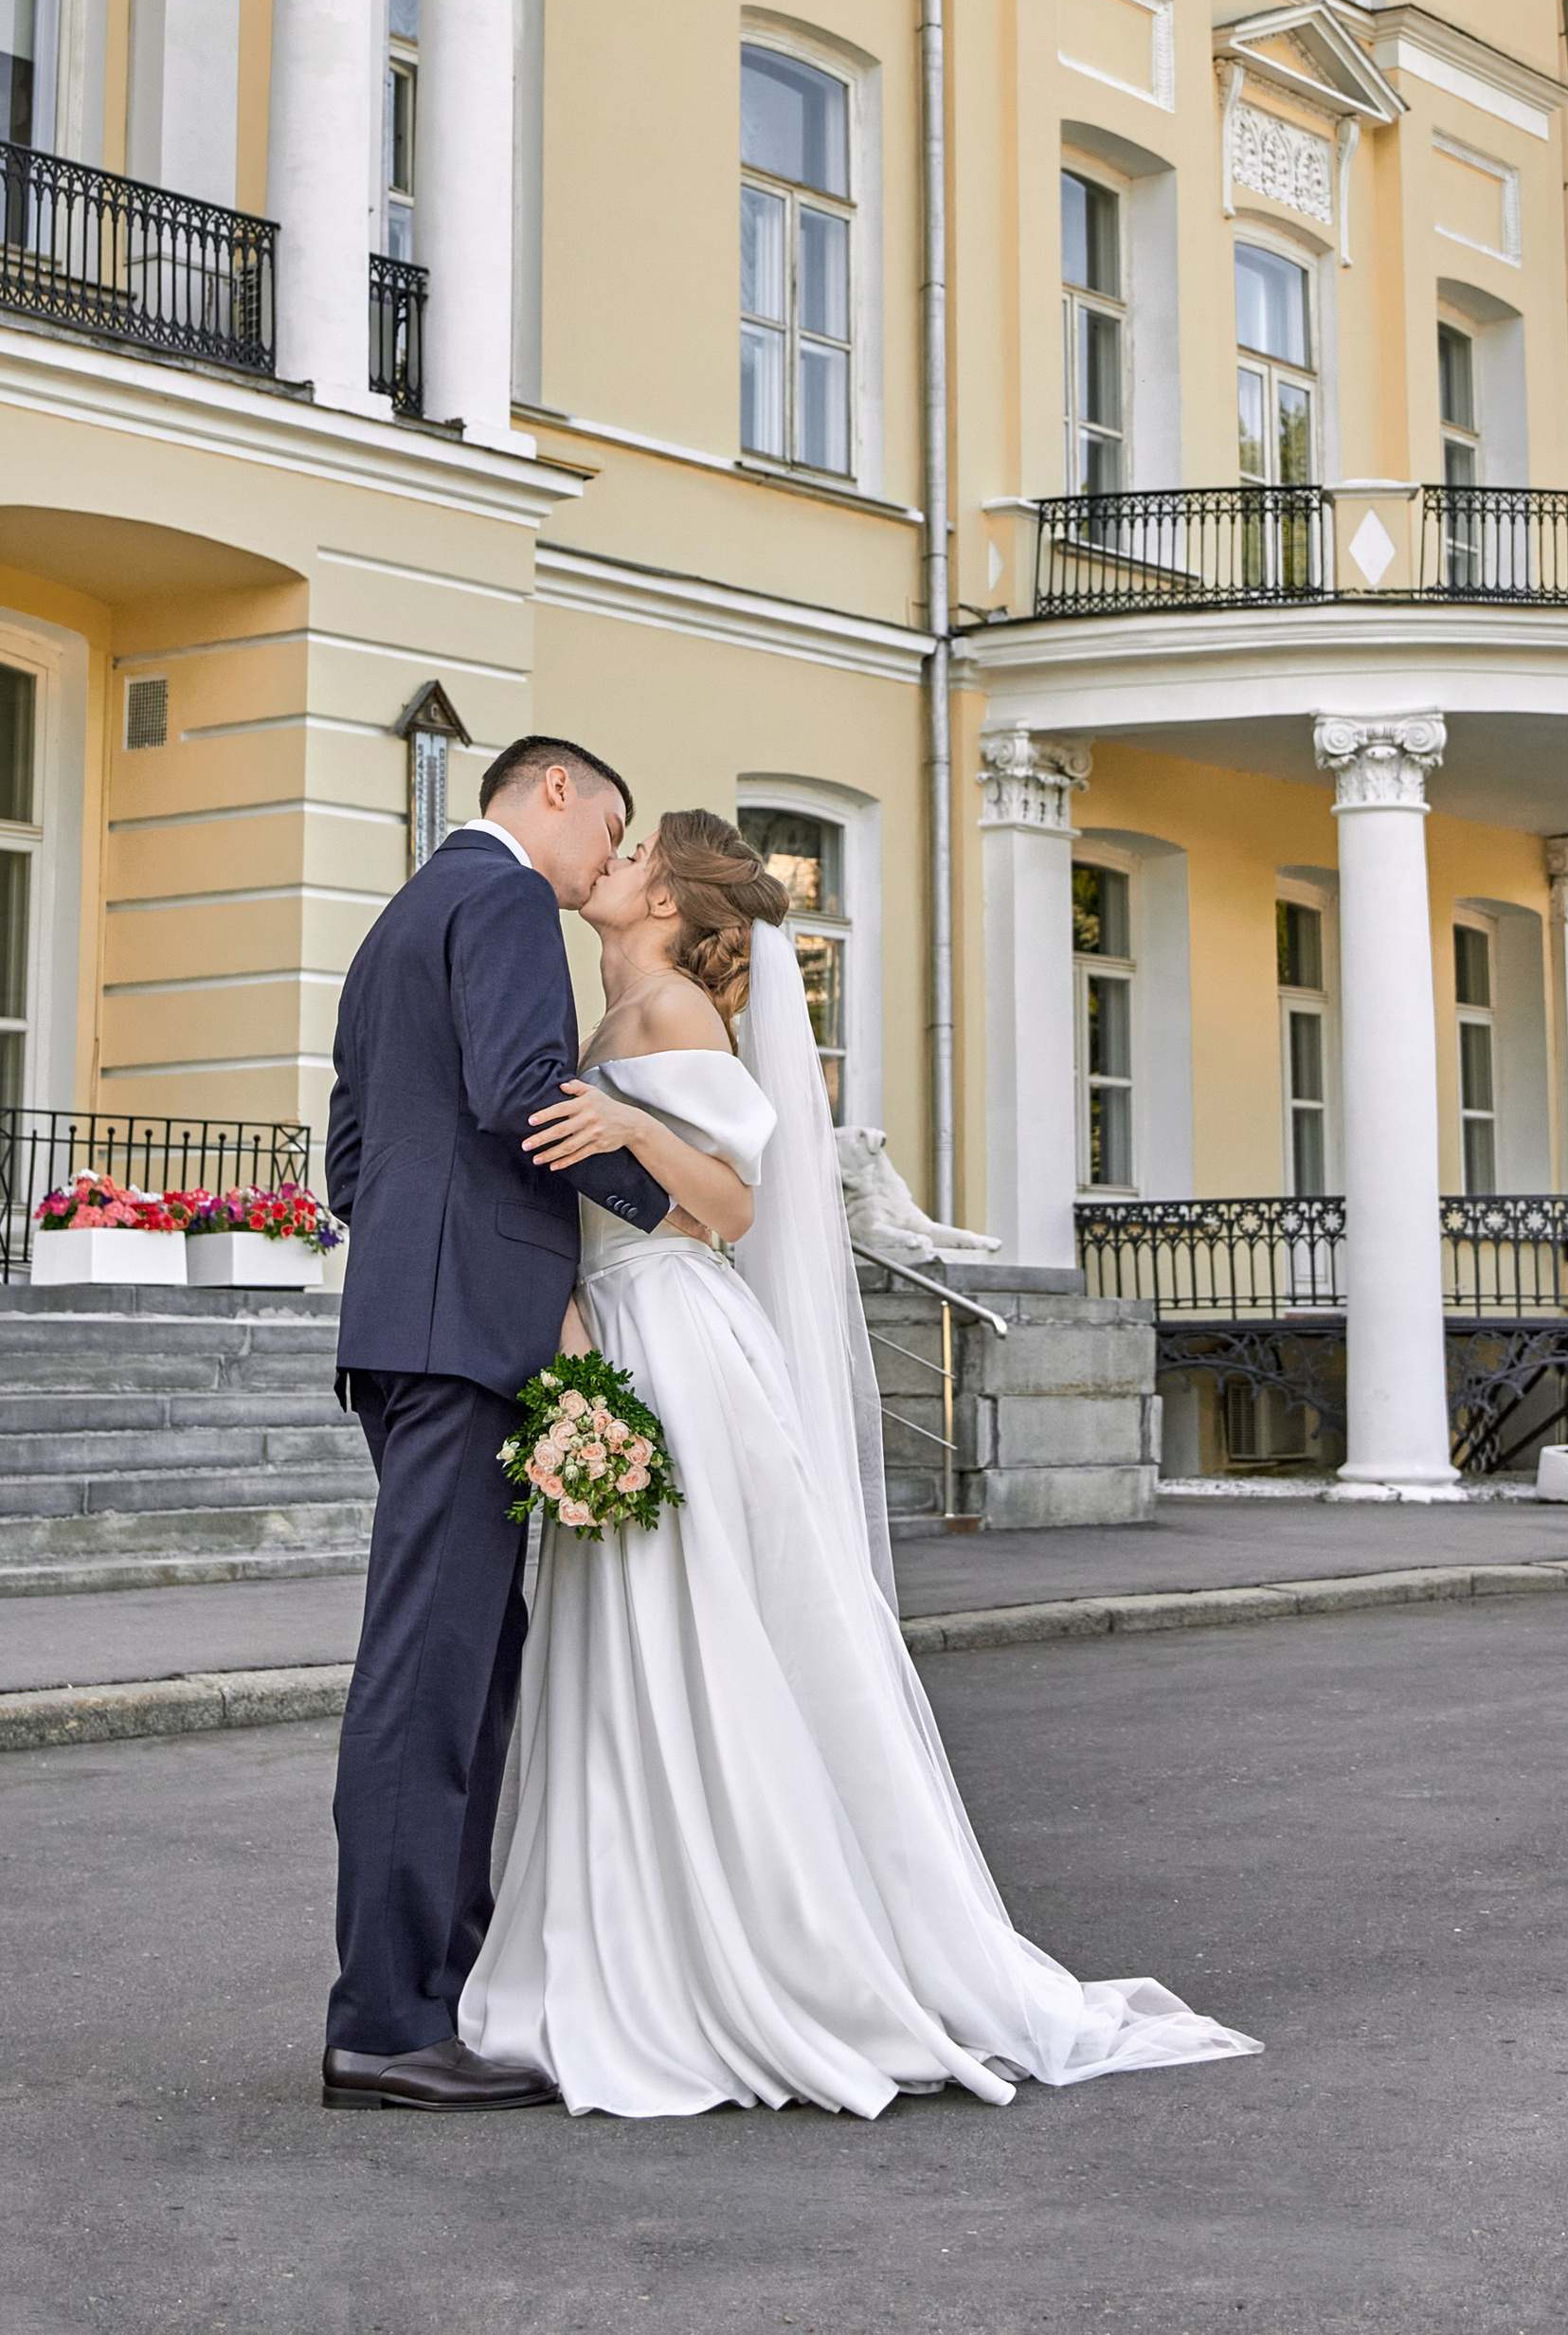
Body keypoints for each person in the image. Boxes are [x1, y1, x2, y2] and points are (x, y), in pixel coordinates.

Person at [452, 807, 1260, 2118]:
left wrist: (625, 1129)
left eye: (635, 853)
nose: (611, 859)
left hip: (679, 1341)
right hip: (611, 1333)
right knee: (625, 1644)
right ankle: (634, 1941)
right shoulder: (612, 1013)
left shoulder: (671, 1014)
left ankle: (765, 1952)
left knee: (704, 1632)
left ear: (665, 902)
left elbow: (731, 1206)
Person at [318, 733, 677, 2116]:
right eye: (608, 831)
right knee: (432, 1674)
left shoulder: (396, 923)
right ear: (554, 792)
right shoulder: (511, 895)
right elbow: (525, 1093)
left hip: (410, 1329)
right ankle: (386, 2022)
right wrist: (675, 1214)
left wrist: (423, 1260)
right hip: (465, 1338)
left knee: (467, 1664)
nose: (602, 866)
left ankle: (440, 1995)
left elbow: (353, 1158)